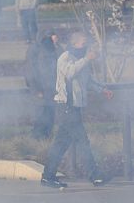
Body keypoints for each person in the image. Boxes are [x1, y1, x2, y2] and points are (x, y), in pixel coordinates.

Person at [41, 31, 113, 189]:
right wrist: (87, 59)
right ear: (74, 44)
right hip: (66, 106)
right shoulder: (65, 57)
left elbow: (88, 81)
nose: (86, 46)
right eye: (83, 43)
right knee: (82, 141)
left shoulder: (83, 60)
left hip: (74, 107)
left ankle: (48, 176)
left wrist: (102, 90)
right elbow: (70, 73)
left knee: (61, 144)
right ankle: (95, 175)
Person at [25, 31, 61, 139]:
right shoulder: (35, 49)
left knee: (50, 114)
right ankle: (37, 139)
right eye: (52, 35)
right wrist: (36, 89)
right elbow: (30, 70)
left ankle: (47, 137)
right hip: (40, 88)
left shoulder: (54, 47)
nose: (55, 37)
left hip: (51, 88)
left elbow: (62, 60)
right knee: (41, 115)